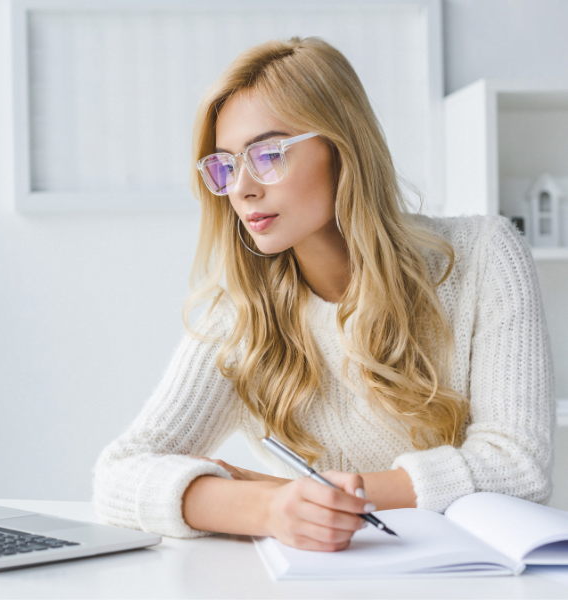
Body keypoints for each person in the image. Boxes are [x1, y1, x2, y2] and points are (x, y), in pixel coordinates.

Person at [91, 36, 555, 552]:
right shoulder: (242, 314)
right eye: (224, 166)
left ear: (342, 148)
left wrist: (304, 494)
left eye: (267, 154)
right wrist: (269, 508)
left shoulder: (486, 257)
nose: (242, 188)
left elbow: (518, 467)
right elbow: (119, 475)